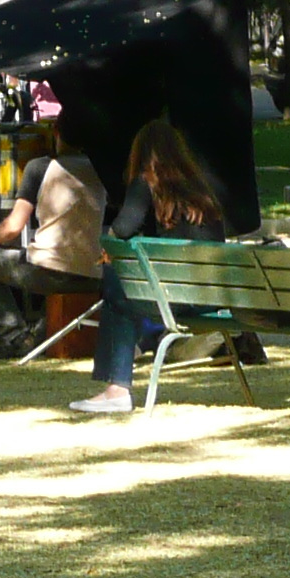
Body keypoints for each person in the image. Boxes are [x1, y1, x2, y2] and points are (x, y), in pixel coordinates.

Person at [72, 119, 226, 414]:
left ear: (141, 154)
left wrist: (108, 250)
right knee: (127, 289)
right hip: (210, 299)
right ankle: (144, 342)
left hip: (177, 301)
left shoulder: (147, 183)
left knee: (118, 283)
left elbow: (123, 228)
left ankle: (116, 388)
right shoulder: (202, 188)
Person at [0, 107, 108, 357]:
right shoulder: (102, 171)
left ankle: (11, 334)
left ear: (55, 132)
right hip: (93, 273)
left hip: (50, 272)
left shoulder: (39, 168)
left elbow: (12, 228)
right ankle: (39, 333)